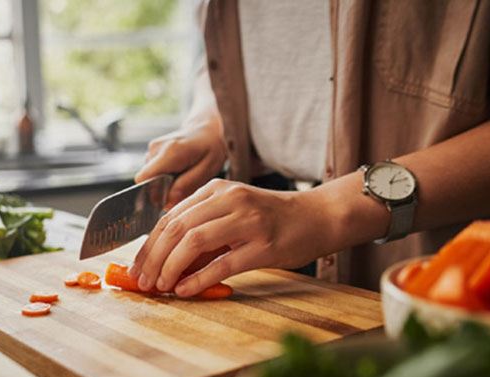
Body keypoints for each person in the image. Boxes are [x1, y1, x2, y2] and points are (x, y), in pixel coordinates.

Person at [130, 0, 490, 296]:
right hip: (263, 228)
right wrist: (212, 121)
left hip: (438, 262)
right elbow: (228, 54)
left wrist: (326, 211)